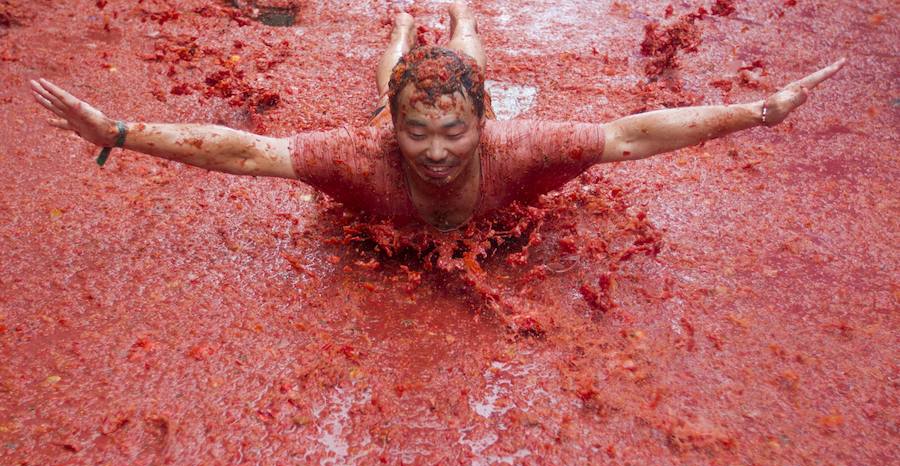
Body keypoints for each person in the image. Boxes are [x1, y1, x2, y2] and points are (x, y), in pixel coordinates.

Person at [29, 3, 845, 231]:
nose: (435, 151)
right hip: (389, 104)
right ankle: (394, 33)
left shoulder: (520, 144)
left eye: (455, 130)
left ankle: (456, 12)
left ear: (486, 125)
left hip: (471, 84)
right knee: (394, 79)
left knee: (461, 56)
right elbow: (245, 153)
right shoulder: (362, 152)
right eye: (415, 132)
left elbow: (635, 133)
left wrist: (757, 112)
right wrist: (120, 135)